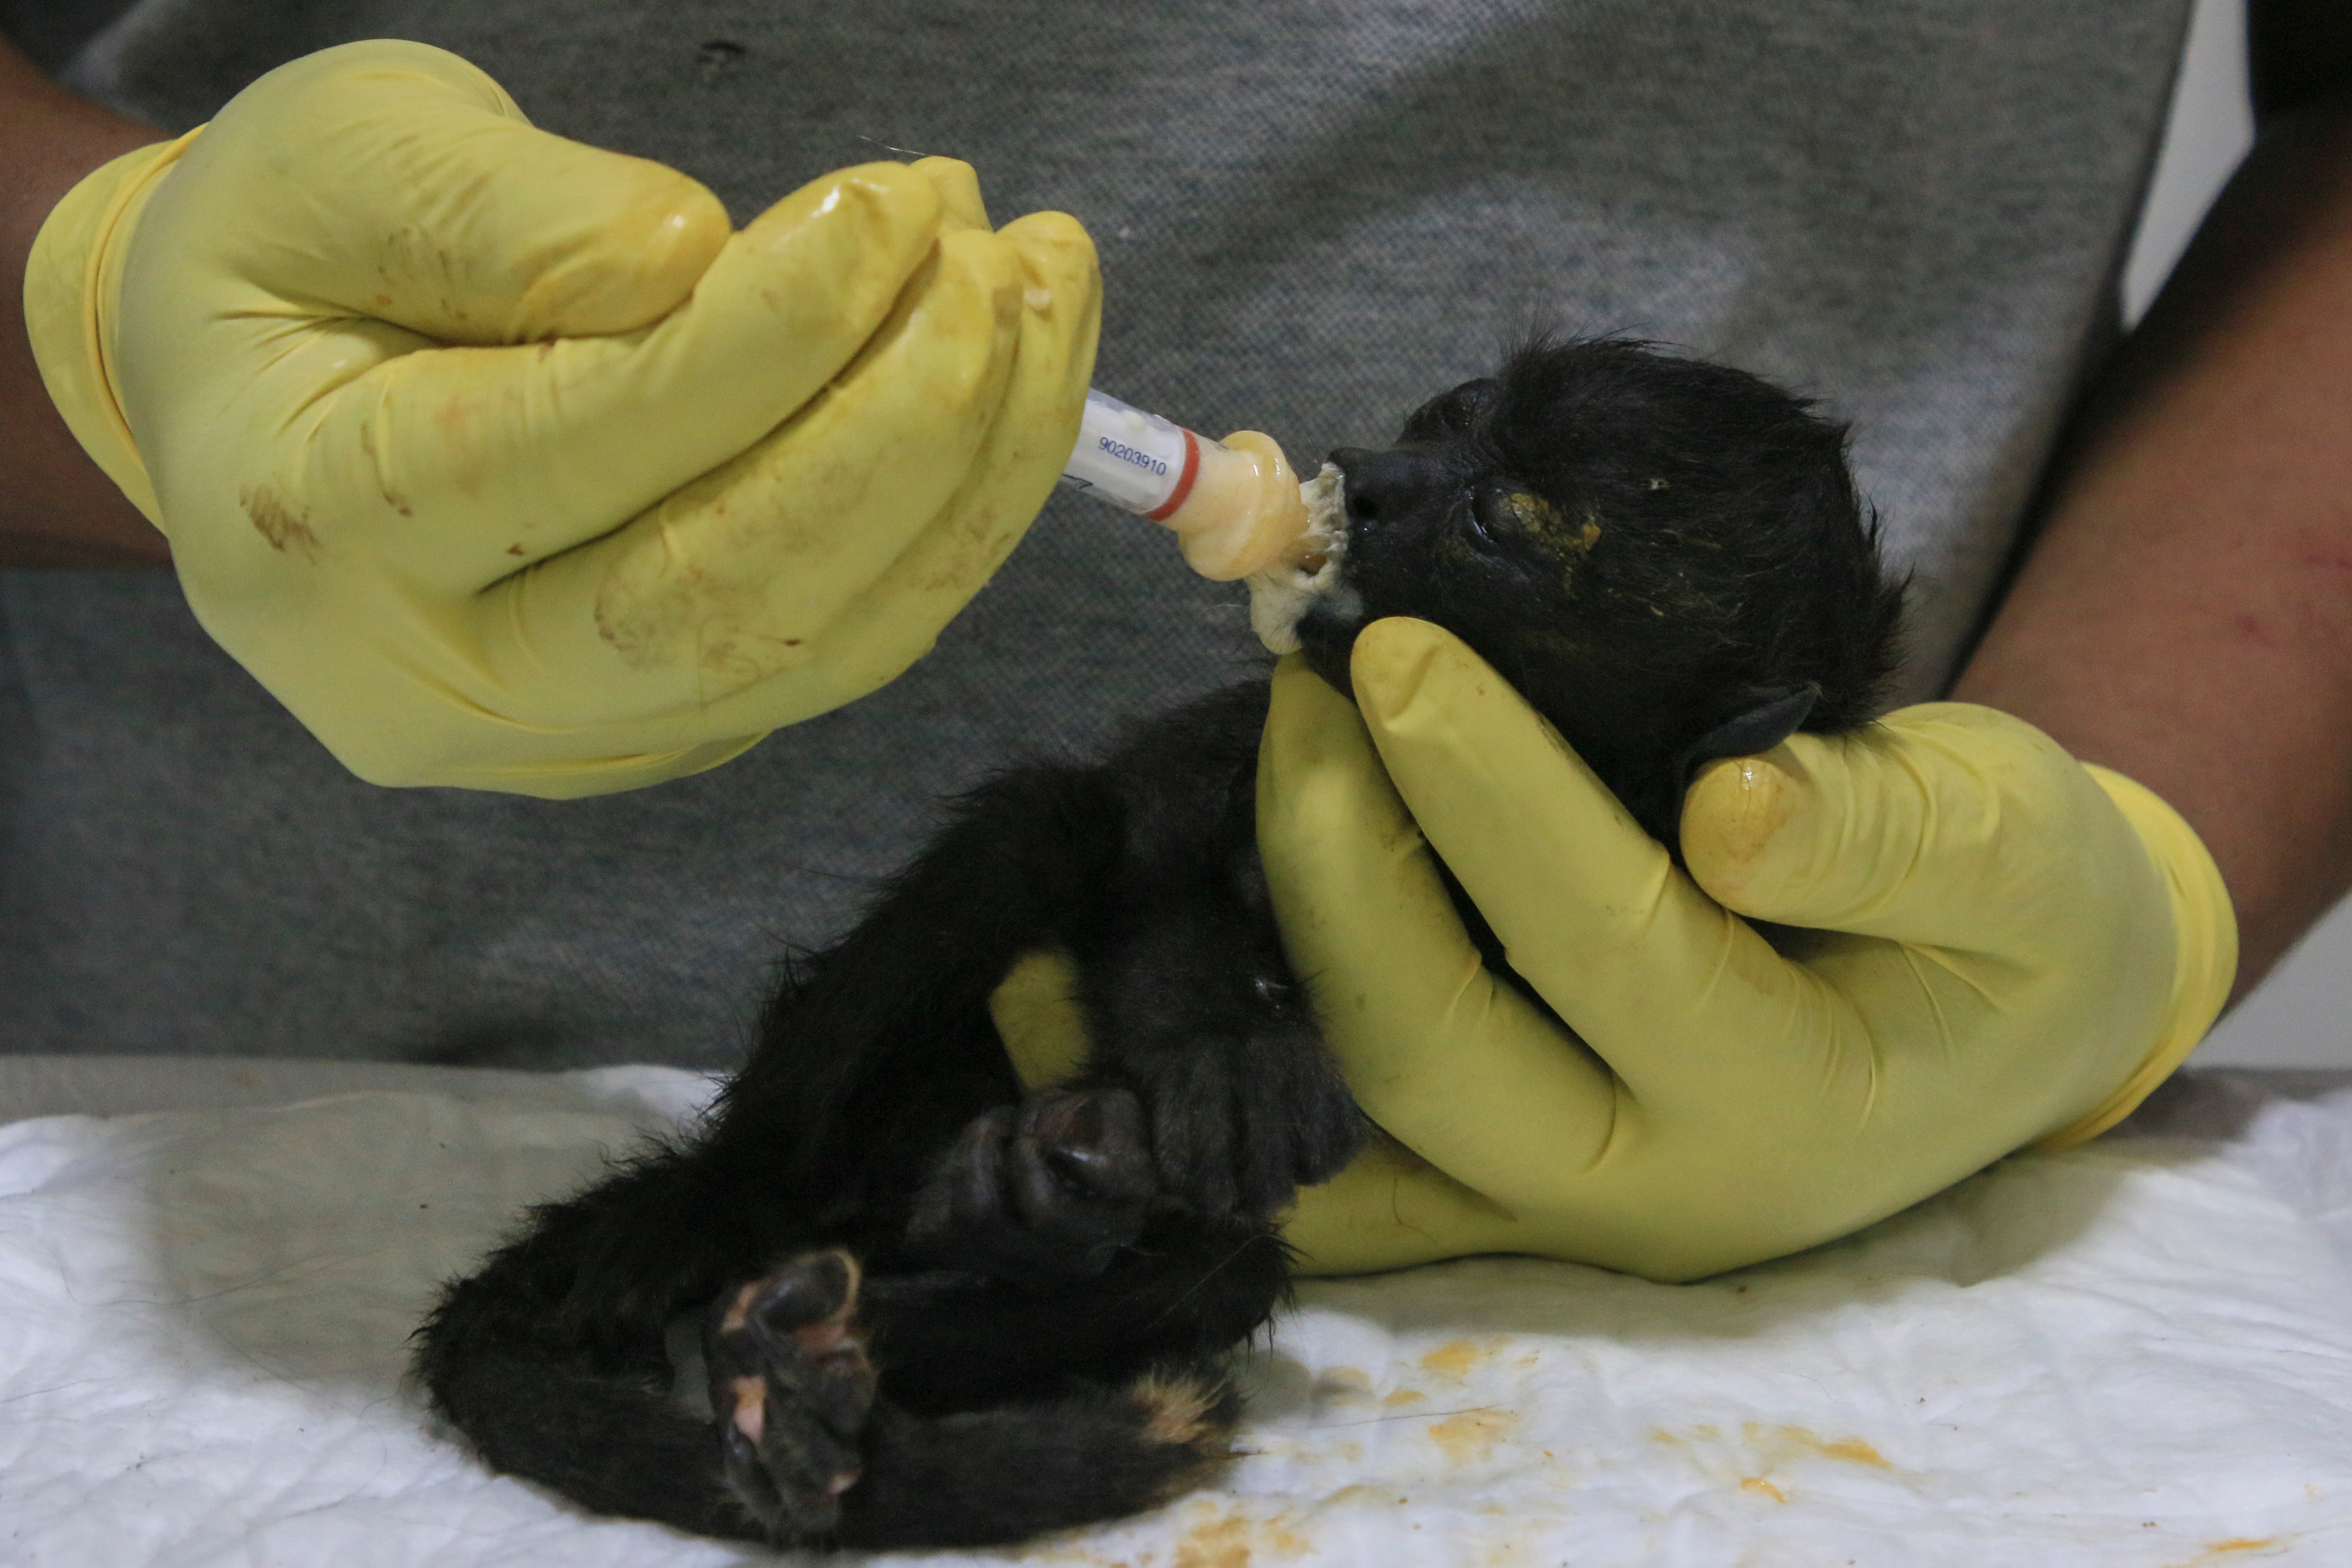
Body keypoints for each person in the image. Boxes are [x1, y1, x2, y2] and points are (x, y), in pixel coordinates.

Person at [1, 3, 2342, 1279]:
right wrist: (117, 319)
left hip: (1834, 1152)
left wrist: (2130, 858)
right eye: (1442, 444)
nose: (1380, 482)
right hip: (281, 1136)